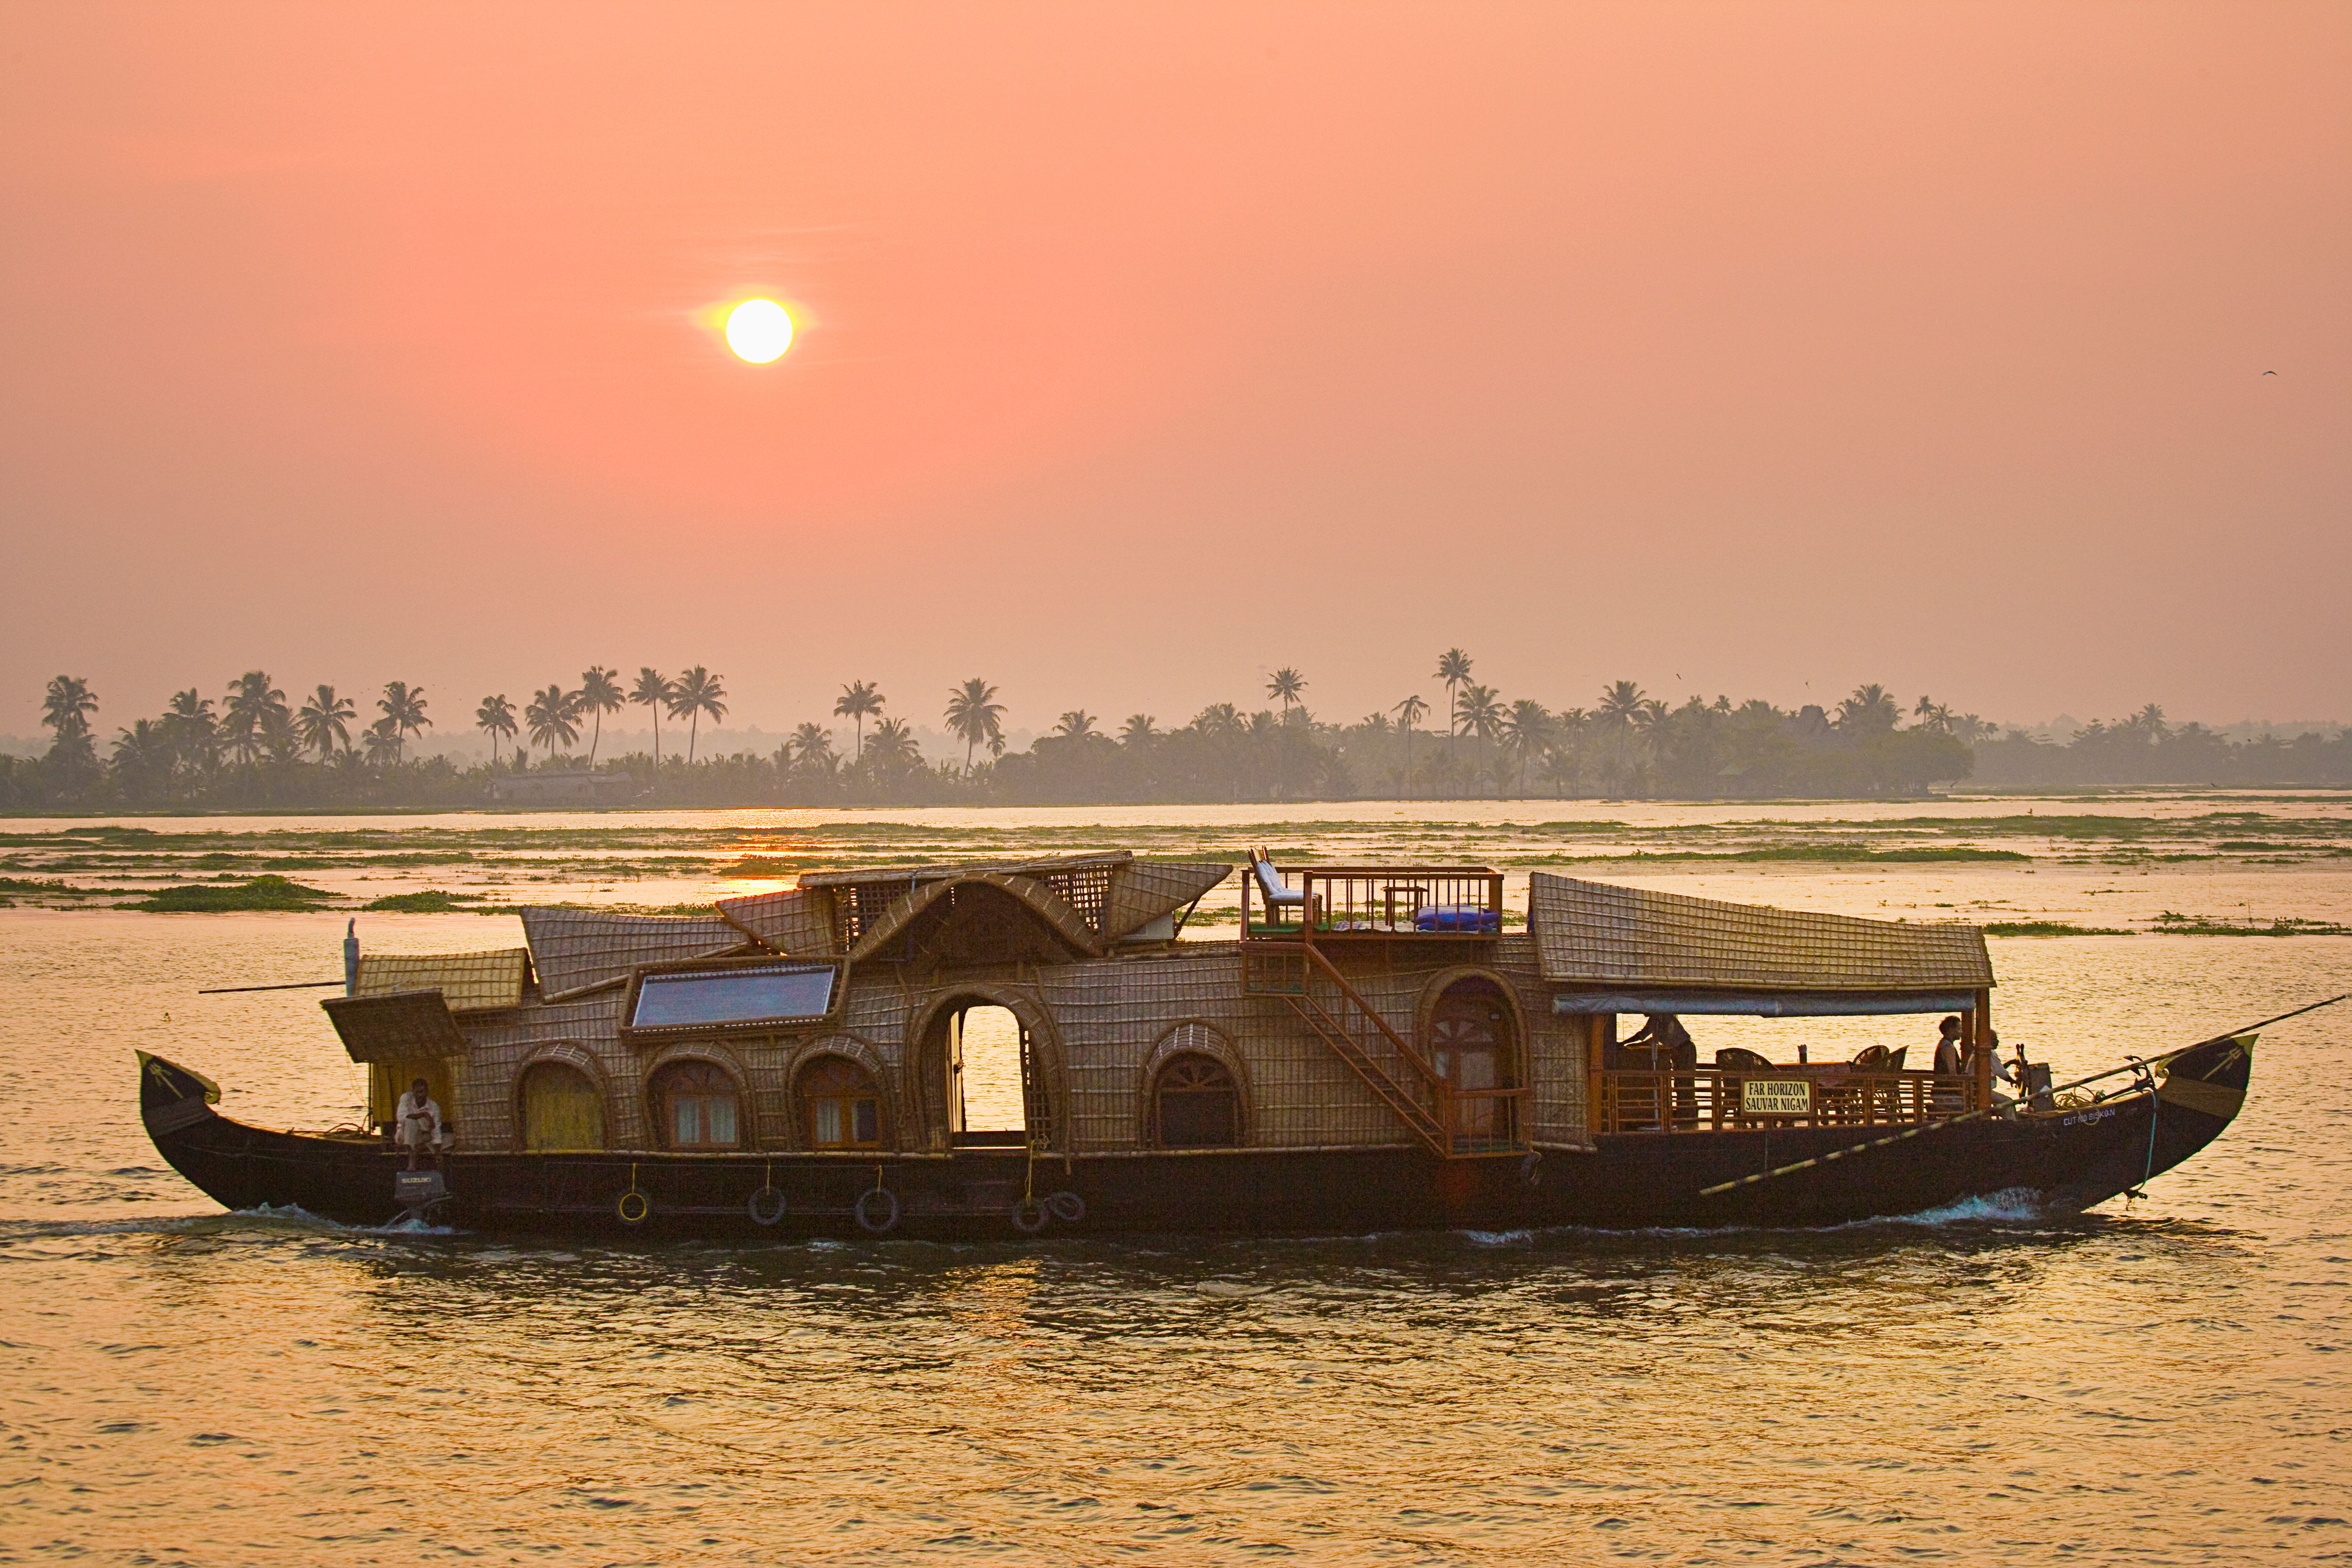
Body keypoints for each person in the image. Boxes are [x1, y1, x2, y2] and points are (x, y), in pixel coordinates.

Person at [393, 1077, 444, 1170]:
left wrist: (438, 1153)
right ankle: (412, 1158)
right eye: (418, 1092)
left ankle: (417, 1150)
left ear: (427, 1091)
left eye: (423, 1092)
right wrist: (424, 1114)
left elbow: (436, 1130)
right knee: (410, 1122)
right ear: (413, 1092)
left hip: (423, 1137)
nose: (421, 1095)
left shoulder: (434, 1107)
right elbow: (401, 1118)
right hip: (405, 1136)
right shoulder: (406, 1099)